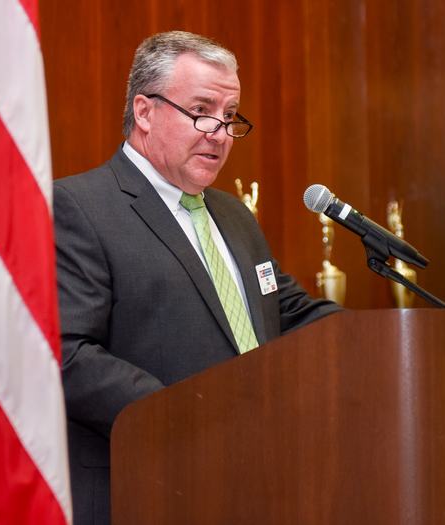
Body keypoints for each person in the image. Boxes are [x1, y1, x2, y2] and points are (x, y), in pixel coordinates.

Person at [53, 31, 340, 525]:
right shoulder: (81, 207)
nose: (220, 132)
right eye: (203, 110)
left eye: (230, 117)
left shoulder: (233, 215)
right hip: (147, 486)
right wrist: (185, 416)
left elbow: (283, 313)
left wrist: (384, 338)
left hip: (253, 482)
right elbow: (67, 352)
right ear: (144, 112)